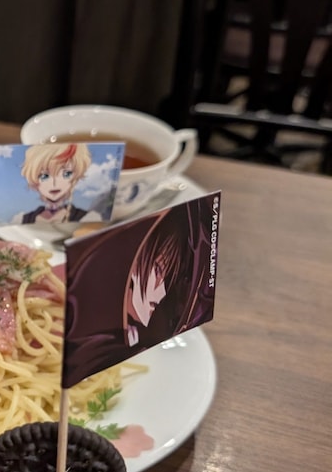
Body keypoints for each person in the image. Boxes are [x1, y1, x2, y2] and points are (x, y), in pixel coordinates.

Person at [64, 198, 217, 388]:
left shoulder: (143, 333)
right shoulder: (90, 333)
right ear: (134, 268)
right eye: (158, 272)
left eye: (169, 277)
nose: (162, 291)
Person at [14, 142, 96, 232]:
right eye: (44, 176)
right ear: (34, 180)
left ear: (75, 177)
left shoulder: (88, 219)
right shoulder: (22, 220)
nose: (54, 183)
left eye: (66, 174)